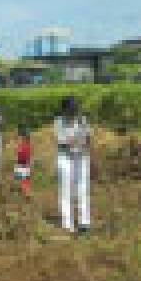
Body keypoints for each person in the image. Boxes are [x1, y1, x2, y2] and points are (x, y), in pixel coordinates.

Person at [54, 96, 92, 233]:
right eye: (70, 111)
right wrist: (78, 140)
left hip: (81, 157)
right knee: (65, 190)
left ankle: (84, 223)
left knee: (83, 189)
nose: (73, 114)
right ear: (64, 111)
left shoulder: (82, 120)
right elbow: (64, 141)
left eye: (74, 110)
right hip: (65, 158)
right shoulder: (59, 122)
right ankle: (67, 224)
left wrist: (82, 143)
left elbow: (88, 138)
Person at [15, 126, 33, 197]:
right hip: (24, 162)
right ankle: (25, 191)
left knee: (24, 180)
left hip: (23, 162)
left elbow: (21, 154)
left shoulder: (23, 145)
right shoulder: (27, 145)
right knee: (24, 179)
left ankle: (26, 193)